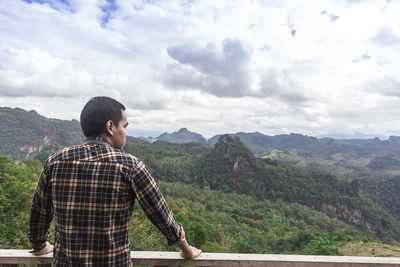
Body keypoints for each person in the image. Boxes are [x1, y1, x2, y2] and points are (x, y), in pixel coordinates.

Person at [28, 96, 201, 266]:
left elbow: (40, 210)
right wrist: (186, 249)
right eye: (124, 127)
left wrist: (39, 244)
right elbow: (160, 214)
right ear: (110, 127)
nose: (125, 133)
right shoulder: (131, 165)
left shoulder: (56, 161)